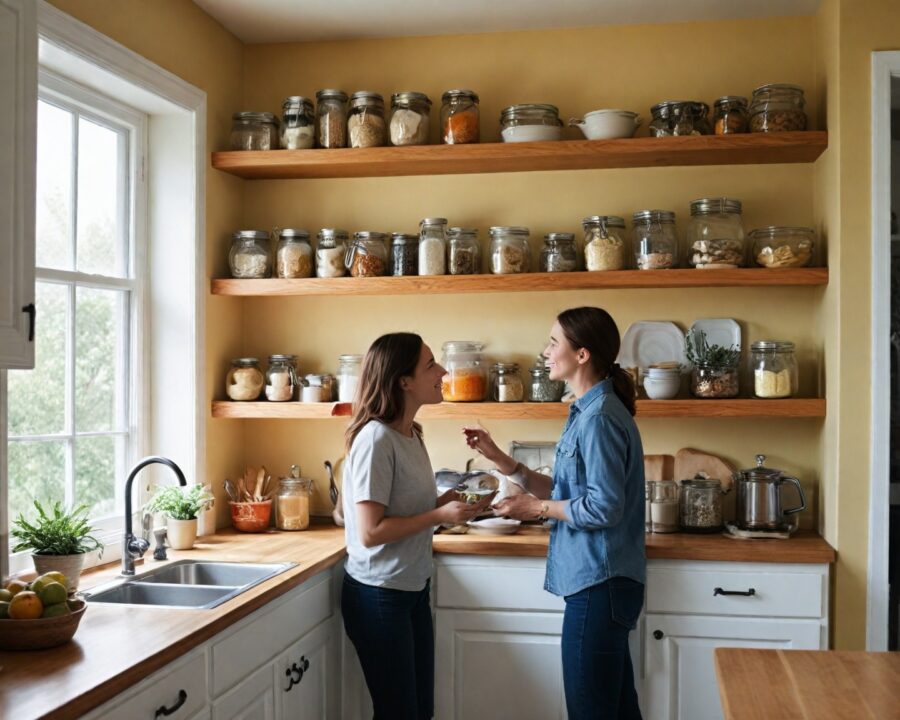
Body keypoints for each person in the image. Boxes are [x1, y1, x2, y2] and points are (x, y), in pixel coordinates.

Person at [464, 307, 646, 720]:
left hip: (600, 583)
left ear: (582, 355)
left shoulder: (598, 419)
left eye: (553, 342)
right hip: (601, 582)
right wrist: (502, 461)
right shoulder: (586, 411)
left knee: (592, 711)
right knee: (616, 710)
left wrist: (535, 509)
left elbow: (604, 506)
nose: (545, 351)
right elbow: (567, 492)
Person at [342, 332, 493, 720]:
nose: (443, 371)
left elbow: (415, 508)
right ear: (403, 381)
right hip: (378, 595)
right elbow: (370, 532)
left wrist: (459, 501)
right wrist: (440, 517)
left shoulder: (411, 434)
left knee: (418, 711)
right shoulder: (376, 440)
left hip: (410, 588)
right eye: (430, 364)